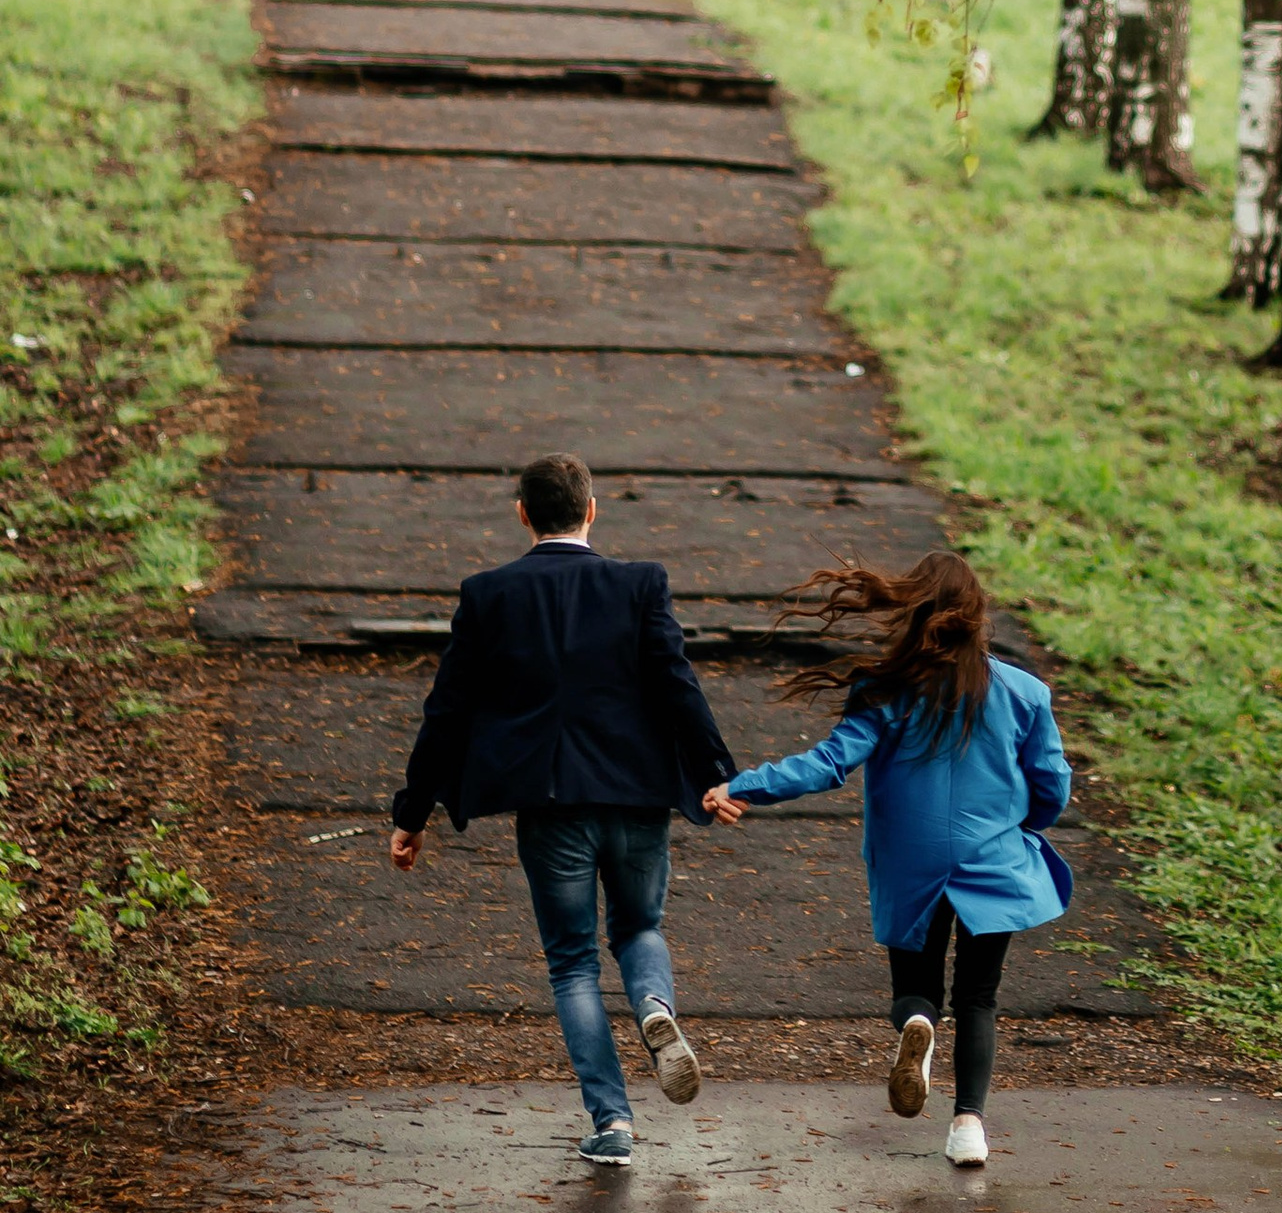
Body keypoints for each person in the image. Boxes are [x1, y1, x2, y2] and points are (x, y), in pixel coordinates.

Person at [390, 449, 735, 1165]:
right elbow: (679, 685)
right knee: (640, 926)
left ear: (522, 515)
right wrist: (716, 775)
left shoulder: (489, 594)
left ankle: (612, 1125)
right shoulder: (641, 584)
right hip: (638, 794)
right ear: (591, 510)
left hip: (550, 805)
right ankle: (655, 1010)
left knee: (573, 964)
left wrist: (412, 811)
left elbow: (446, 712)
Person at [704, 549, 1070, 1169]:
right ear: (977, 614)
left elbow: (827, 765)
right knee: (979, 996)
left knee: (916, 987)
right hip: (995, 862)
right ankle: (968, 1128)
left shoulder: (886, 690)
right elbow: (1052, 784)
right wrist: (1023, 830)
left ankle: (916, 1028)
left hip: (912, 862)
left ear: (914, 607)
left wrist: (742, 786)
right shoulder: (1025, 693)